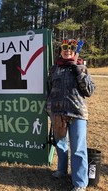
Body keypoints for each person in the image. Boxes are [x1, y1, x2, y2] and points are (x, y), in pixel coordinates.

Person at [46, 39, 96, 191]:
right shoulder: (54, 69)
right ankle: (61, 170)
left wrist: (79, 73)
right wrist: (49, 108)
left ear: (74, 52)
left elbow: (90, 91)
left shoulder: (82, 68)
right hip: (57, 113)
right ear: (60, 51)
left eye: (71, 49)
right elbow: (49, 88)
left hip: (77, 113)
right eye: (64, 49)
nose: (67, 51)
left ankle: (80, 182)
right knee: (61, 144)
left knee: (78, 148)